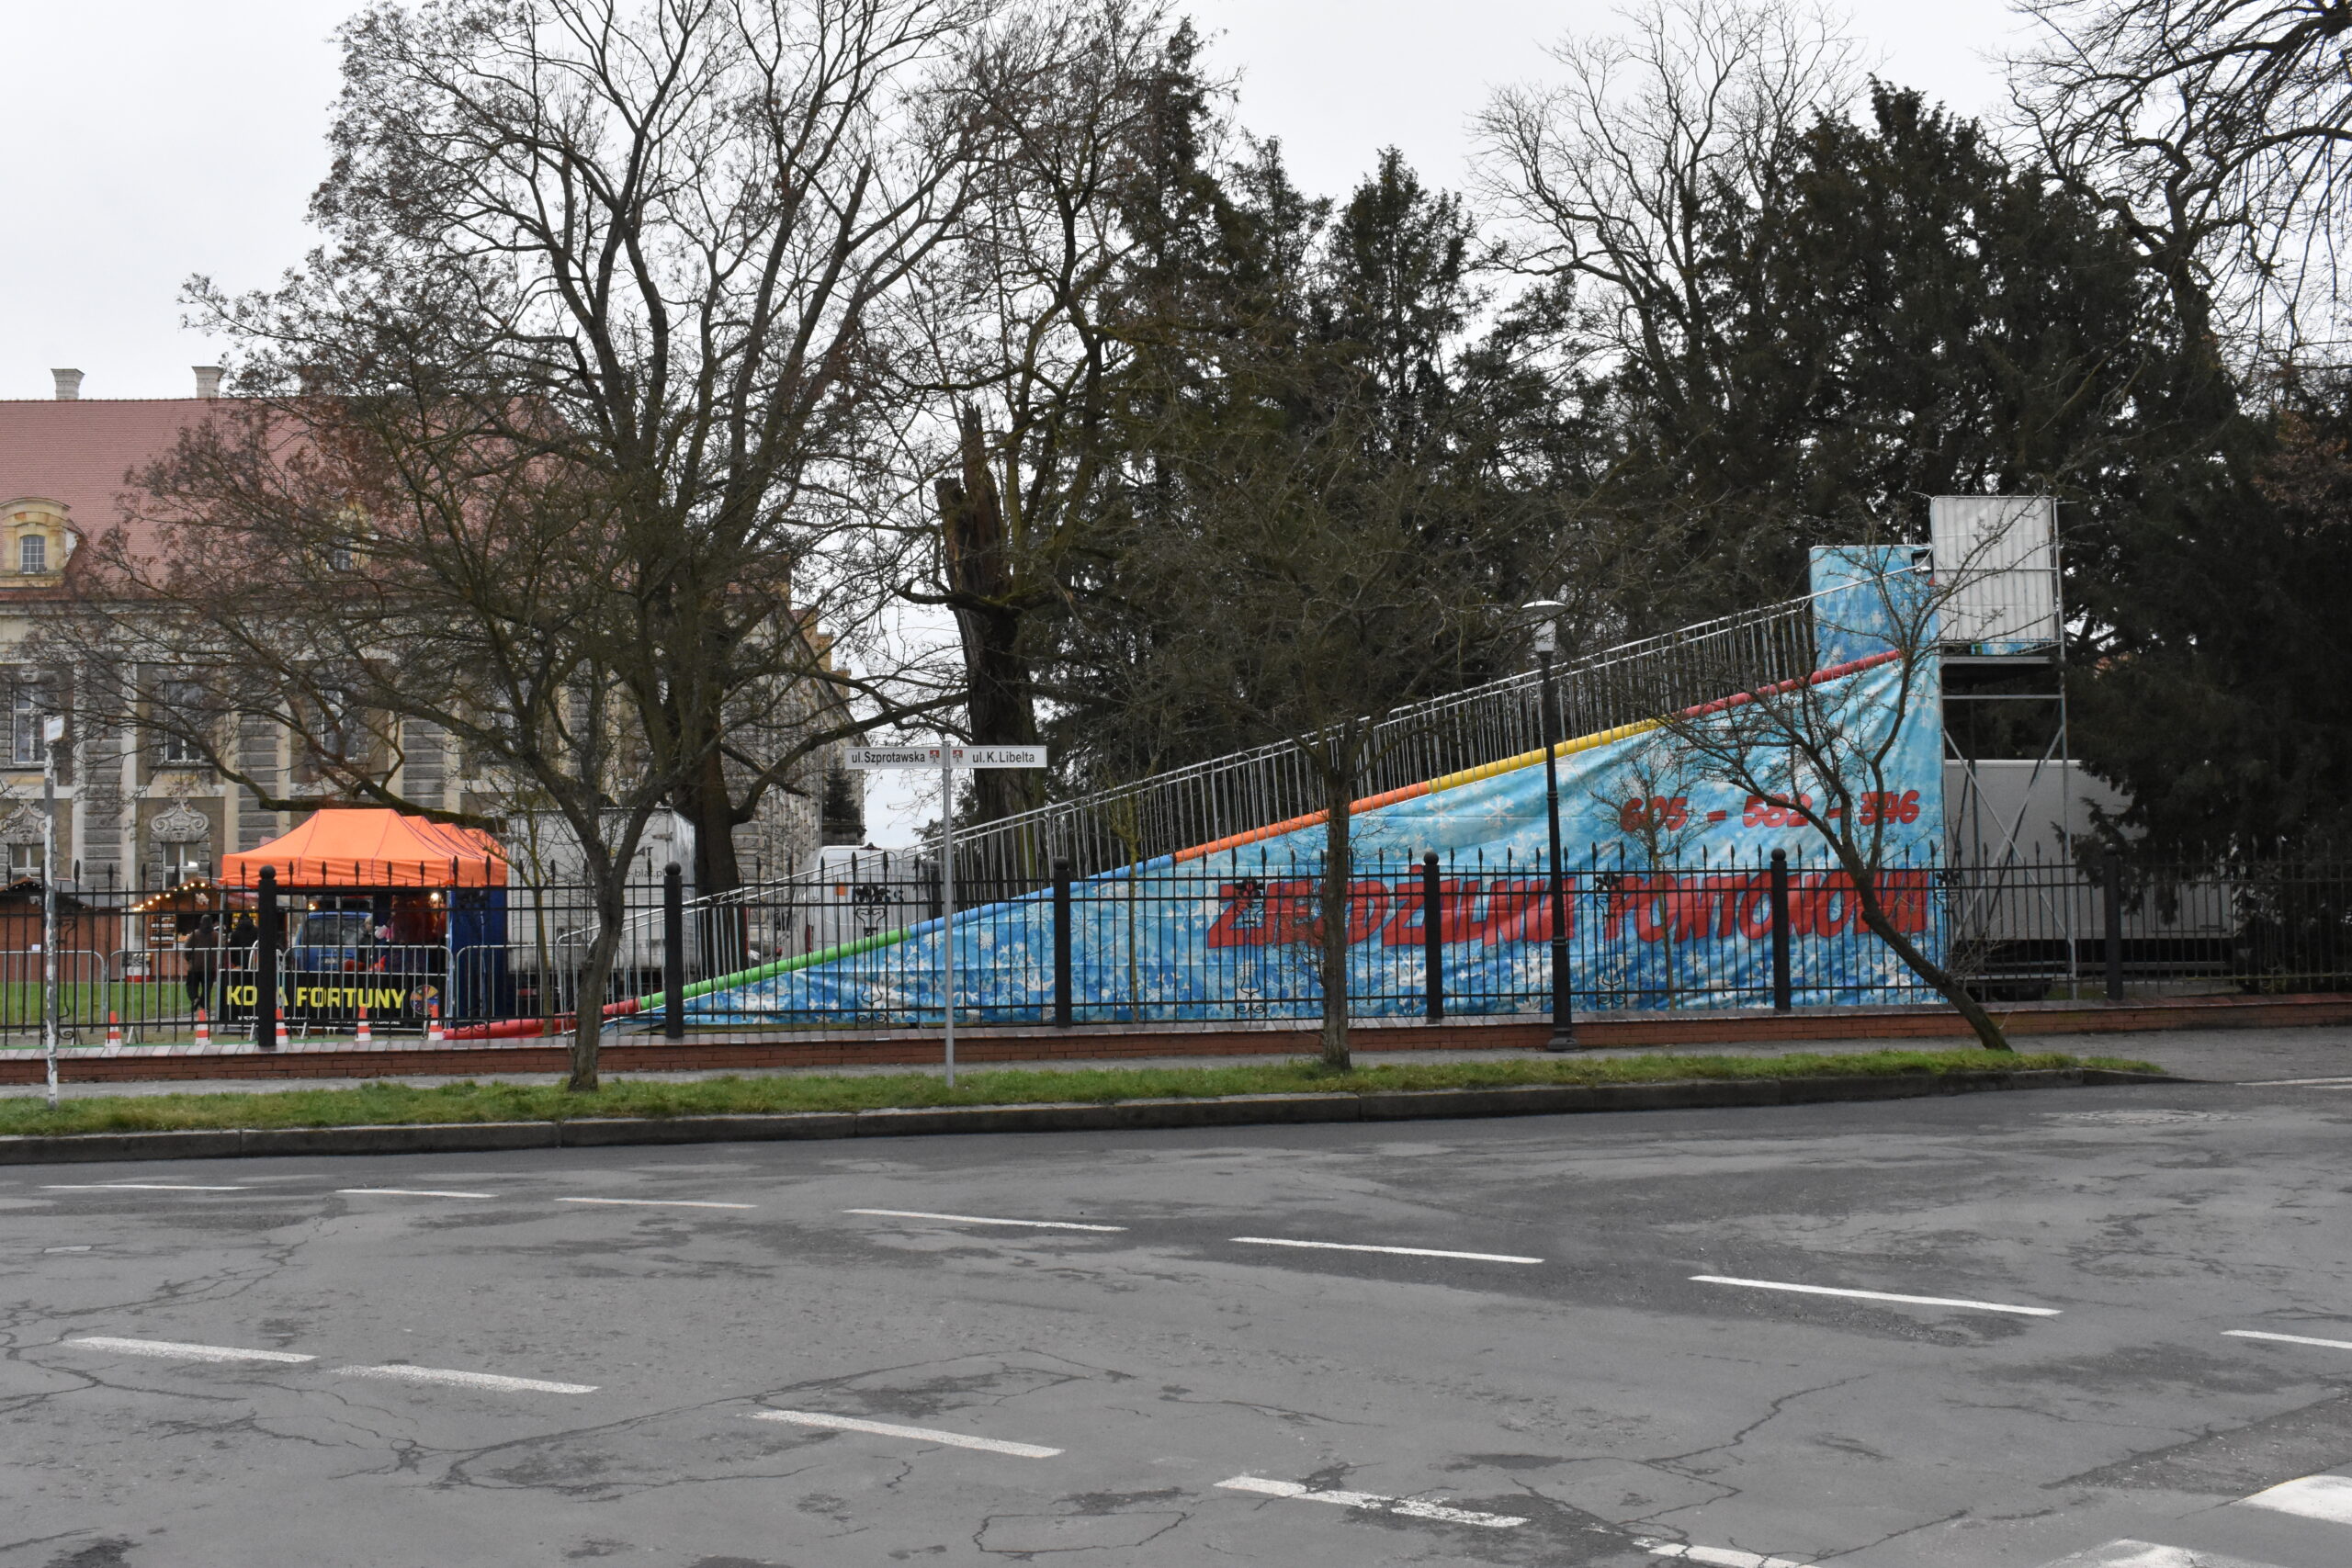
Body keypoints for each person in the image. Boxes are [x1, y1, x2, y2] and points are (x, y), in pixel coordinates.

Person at [182, 910, 220, 1014]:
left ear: (201, 922)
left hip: (195, 966)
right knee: (207, 988)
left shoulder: (194, 934)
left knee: (191, 986)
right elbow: (222, 948)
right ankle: (205, 1007)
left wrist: (189, 960)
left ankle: (195, 998)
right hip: (209, 966)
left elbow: (187, 949)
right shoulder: (216, 935)